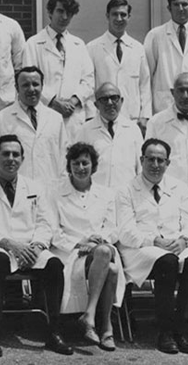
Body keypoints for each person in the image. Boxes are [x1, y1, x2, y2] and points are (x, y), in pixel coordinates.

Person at [0, 135, 73, 357]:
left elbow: (46, 223)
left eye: (15, 154)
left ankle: (54, 332)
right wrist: (10, 245)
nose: (11, 159)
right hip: (0, 247)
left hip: (31, 247)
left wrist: (37, 246)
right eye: (5, 154)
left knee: (55, 265)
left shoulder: (35, 187)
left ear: (22, 158)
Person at [116, 138, 188, 355]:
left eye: (160, 160)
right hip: (140, 249)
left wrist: (184, 240)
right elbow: (125, 232)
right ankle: (164, 331)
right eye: (150, 159)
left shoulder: (179, 188)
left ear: (168, 163)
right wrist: (154, 240)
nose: (155, 165)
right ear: (141, 160)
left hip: (175, 244)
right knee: (168, 262)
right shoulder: (127, 189)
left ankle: (180, 330)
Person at [49, 142, 125, 352]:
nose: (81, 167)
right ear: (69, 166)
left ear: (93, 166)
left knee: (103, 251)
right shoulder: (56, 193)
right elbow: (52, 230)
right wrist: (78, 243)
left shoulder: (107, 194)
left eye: (85, 163)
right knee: (111, 269)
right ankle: (106, 328)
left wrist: (97, 239)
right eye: (76, 163)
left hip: (99, 247)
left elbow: (113, 228)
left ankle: (89, 316)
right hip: (71, 252)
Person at [24, 0, 94, 139]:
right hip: (45, 111)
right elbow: (28, 80)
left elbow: (88, 81)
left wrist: (73, 102)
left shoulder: (79, 44)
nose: (64, 17)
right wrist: (53, 102)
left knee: (73, 158)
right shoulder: (33, 43)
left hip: (73, 116)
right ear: (50, 12)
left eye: (69, 13)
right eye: (60, 11)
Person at [0, 66, 68, 185]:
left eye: (35, 84)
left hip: (50, 187)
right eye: (25, 85)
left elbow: (64, 157)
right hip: (16, 189)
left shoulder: (56, 118)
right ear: (17, 88)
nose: (31, 89)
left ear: (42, 86)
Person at [87, 0, 151, 133]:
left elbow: (144, 84)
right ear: (107, 16)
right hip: (102, 119)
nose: (119, 19)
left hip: (133, 119)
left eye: (123, 15)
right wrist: (91, 116)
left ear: (129, 17)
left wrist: (145, 115)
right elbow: (89, 85)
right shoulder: (93, 48)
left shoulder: (138, 48)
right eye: (114, 14)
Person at [146, 72, 188, 196]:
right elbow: (149, 162)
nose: (185, 95)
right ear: (172, 92)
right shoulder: (156, 122)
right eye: (181, 90)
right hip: (168, 194)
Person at [76, 82, 142, 190]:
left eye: (114, 98)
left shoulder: (133, 129)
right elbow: (77, 166)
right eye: (104, 99)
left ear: (121, 101)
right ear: (96, 105)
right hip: (95, 196)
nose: (110, 103)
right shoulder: (85, 130)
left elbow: (141, 168)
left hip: (127, 195)